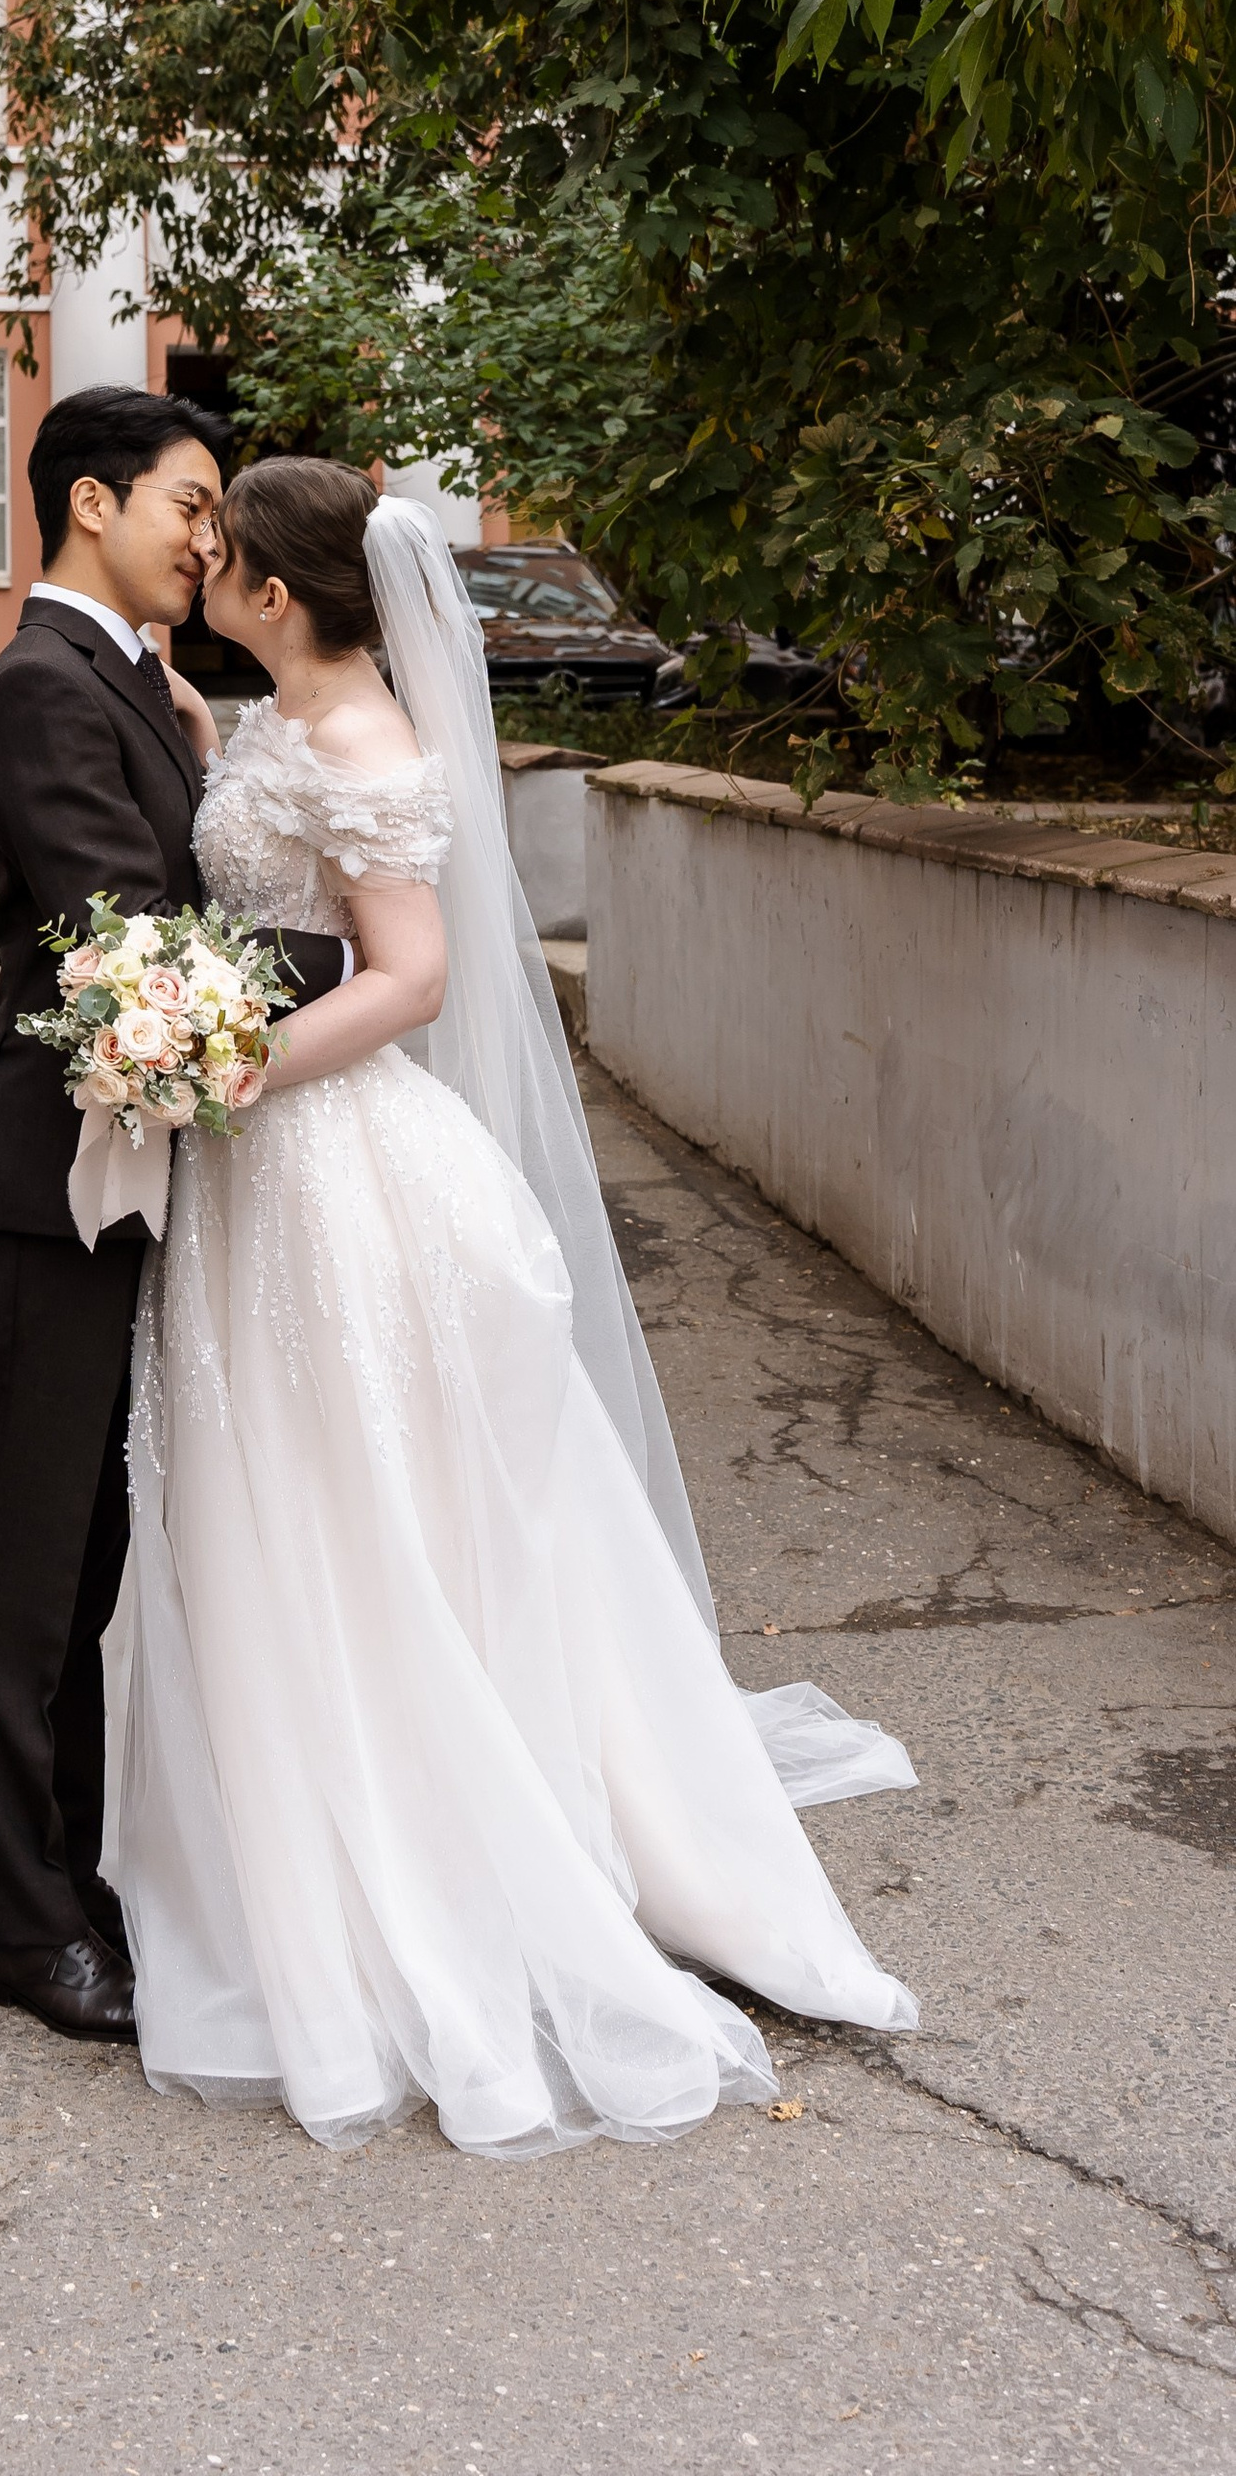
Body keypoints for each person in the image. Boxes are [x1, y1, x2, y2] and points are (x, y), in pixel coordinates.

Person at [103, 456, 920, 2156]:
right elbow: (270, 864)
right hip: (268, 1180)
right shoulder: (275, 722)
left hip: (337, 1174)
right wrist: (200, 755)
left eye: (224, 552)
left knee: (372, 1507)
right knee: (289, 1502)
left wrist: (216, 1074)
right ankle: (282, 1813)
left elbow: (414, 979)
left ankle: (440, 1829)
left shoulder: (368, 746)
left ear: (275, 592)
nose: (203, 566)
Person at [0, 388, 354, 2042]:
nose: (208, 535)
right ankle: (17, 1930)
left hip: (112, 1180)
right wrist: (365, 970)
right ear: (93, 502)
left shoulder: (119, 680)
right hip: (42, 1192)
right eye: (188, 502)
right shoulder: (43, 684)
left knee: (86, 1568)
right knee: (20, 1578)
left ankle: (72, 1880)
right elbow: (134, 950)